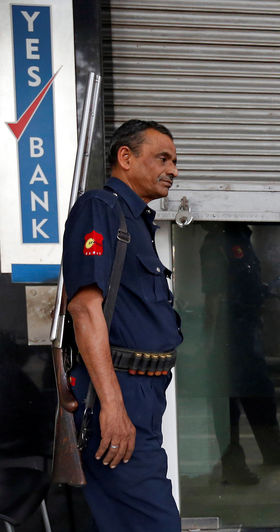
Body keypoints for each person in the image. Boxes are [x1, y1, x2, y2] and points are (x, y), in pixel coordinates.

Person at [64, 120, 182, 531]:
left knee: (121, 519)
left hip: (143, 390)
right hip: (115, 388)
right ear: (126, 158)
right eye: (162, 158)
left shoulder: (136, 221)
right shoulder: (101, 208)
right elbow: (84, 309)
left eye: (175, 161)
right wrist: (113, 407)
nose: (173, 169)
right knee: (154, 521)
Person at [200, 222, 280, 486]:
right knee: (227, 403)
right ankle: (232, 465)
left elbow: (246, 285)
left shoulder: (242, 238)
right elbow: (214, 297)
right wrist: (210, 342)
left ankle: (274, 450)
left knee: (261, 393)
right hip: (227, 334)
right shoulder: (216, 243)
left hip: (248, 330)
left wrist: (269, 288)